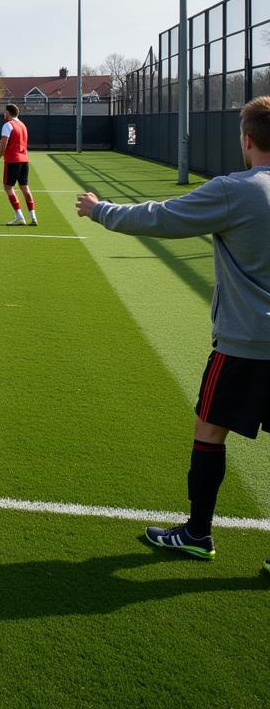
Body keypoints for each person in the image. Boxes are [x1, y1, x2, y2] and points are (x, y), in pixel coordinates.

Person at [76, 96, 270, 574]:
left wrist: (100, 210)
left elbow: (160, 217)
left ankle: (197, 533)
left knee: (209, 431)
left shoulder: (236, 190)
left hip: (245, 344)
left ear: (246, 140)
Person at [0, 103, 37, 226]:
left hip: (13, 160)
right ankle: (33, 217)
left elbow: (3, 146)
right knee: (25, 187)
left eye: (4, 111)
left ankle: (19, 216)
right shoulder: (23, 125)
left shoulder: (8, 125)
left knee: (8, 187)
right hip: (24, 160)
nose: (3, 114)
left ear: (8, 112)